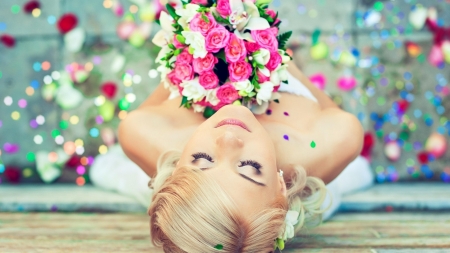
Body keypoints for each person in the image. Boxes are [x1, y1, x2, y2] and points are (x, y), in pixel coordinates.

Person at [89, 61, 374, 252]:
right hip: (310, 175)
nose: (227, 139)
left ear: (176, 173)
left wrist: (192, 52)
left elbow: (172, 73)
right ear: (281, 186)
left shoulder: (145, 132)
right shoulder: (330, 140)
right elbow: (322, 104)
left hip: (172, 168)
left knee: (110, 170)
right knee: (343, 185)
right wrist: (284, 64)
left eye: (201, 159)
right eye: (250, 167)